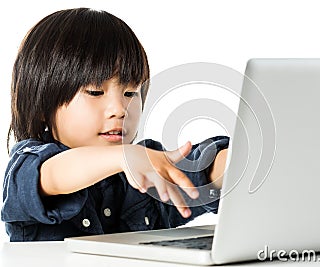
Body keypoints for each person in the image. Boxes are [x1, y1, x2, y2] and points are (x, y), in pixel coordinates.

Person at [1, 8, 229, 241]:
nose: (120, 109)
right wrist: (124, 156)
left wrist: (234, 161)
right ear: (42, 107)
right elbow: (53, 175)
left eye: (131, 93)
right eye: (95, 91)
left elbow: (200, 170)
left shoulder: (143, 165)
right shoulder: (29, 163)